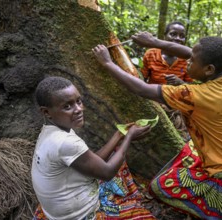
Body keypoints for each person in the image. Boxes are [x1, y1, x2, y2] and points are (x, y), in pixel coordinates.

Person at [92, 33, 222, 219]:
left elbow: (142, 89)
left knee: (158, 187)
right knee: (189, 149)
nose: (187, 61)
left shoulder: (195, 95)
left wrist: (107, 63)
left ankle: (215, 211)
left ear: (209, 69)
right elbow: (189, 52)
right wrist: (154, 43)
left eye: (192, 61)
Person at [31, 76, 155, 220]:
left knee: (116, 158)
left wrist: (119, 136)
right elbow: (107, 172)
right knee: (119, 172)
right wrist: (129, 137)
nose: (78, 109)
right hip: (77, 215)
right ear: (46, 112)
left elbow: (91, 160)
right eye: (67, 106)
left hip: (57, 209)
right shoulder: (65, 142)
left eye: (78, 101)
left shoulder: (51, 131)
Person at [141, 21, 193, 85]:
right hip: (153, 93)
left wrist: (180, 83)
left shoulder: (187, 59)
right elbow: (142, 79)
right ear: (165, 36)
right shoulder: (151, 54)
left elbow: (190, 85)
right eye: (173, 34)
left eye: (182, 36)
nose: (178, 38)